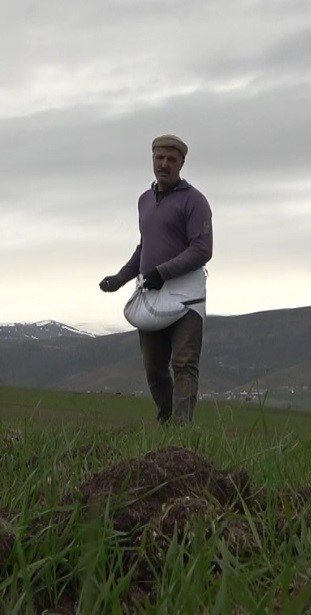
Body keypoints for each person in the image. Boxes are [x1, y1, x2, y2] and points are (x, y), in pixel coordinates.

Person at [99, 134, 213, 424]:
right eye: (159, 157)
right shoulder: (145, 201)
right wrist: (120, 278)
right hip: (150, 294)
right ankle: (166, 422)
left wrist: (163, 272)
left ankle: (181, 430)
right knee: (154, 369)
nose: (164, 164)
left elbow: (202, 249)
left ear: (181, 163)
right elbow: (144, 247)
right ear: (152, 159)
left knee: (185, 364)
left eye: (171, 159)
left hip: (187, 298)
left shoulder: (194, 201)